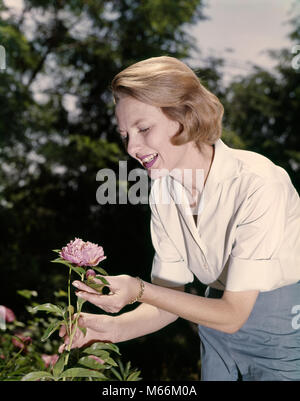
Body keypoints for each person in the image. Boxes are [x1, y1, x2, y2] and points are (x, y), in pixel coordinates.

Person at [59, 56, 300, 381]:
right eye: (125, 134)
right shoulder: (163, 193)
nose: (133, 147)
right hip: (214, 329)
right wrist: (113, 329)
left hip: (282, 333)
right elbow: (169, 301)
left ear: (185, 117)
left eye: (144, 128)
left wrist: (138, 289)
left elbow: (232, 315)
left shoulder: (259, 182)